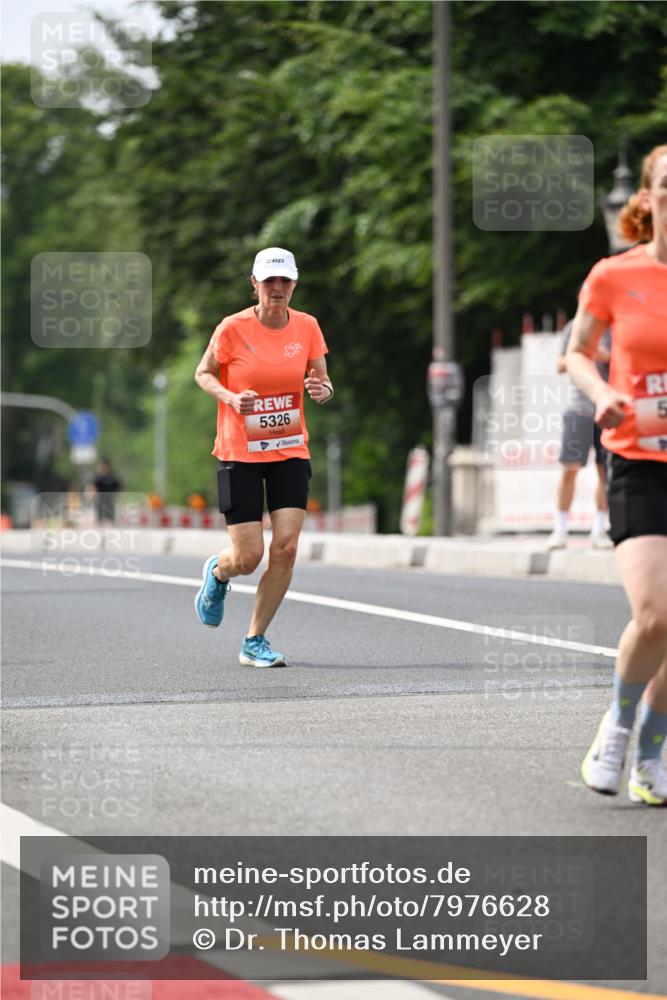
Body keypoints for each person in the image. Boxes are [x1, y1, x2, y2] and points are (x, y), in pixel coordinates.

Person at [567, 144, 667, 806]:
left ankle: (652, 755)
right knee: (656, 614)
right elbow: (575, 351)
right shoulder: (611, 276)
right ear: (648, 197)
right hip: (637, 457)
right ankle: (618, 724)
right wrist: (600, 392)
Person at [193, 247, 333, 667]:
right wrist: (233, 398)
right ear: (254, 284)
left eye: (284, 281)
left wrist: (323, 392)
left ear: (294, 284)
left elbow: (323, 382)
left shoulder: (307, 327)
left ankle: (255, 639)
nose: (277, 288)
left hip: (289, 447)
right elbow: (202, 373)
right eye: (269, 281)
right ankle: (219, 572)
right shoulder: (232, 328)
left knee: (286, 547)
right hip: (241, 451)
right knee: (248, 557)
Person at [547, 319, 612, 550]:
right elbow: (560, 364)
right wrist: (585, 356)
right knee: (569, 469)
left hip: (608, 408)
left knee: (605, 472)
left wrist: (606, 358)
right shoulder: (573, 327)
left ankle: (599, 529)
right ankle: (560, 528)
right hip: (579, 409)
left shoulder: (614, 327)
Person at [93, 458, 121, 523]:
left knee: (110, 516)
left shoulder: (112, 476)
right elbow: (94, 486)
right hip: (101, 498)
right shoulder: (99, 476)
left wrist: (118, 494)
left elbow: (118, 485)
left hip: (110, 498)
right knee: (100, 517)